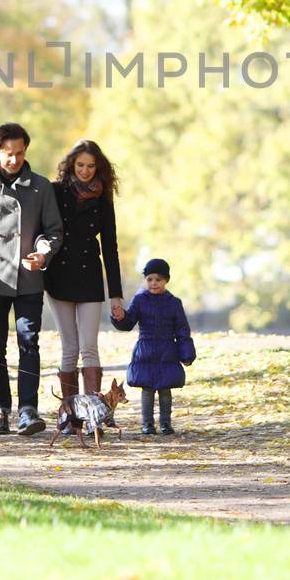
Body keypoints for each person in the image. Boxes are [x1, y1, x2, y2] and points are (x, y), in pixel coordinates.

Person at [0, 122, 64, 436]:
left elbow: (53, 231)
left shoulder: (41, 186)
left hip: (29, 280)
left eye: (20, 153)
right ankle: (0, 410)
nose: (14, 160)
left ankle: (27, 410)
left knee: (29, 343)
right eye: (8, 154)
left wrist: (42, 253)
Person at [44, 139, 124, 428]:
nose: (86, 171)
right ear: (71, 165)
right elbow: (42, 231)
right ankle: (69, 416)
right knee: (69, 347)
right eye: (80, 165)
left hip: (90, 276)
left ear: (98, 167)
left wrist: (115, 294)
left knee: (90, 346)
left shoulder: (103, 199)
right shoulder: (54, 192)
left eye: (91, 166)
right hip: (58, 276)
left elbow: (111, 247)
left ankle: (94, 415)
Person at [110, 257, 195, 436]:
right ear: (145, 280)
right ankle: (147, 424)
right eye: (150, 279)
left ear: (166, 280)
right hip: (145, 351)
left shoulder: (174, 303)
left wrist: (186, 354)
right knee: (147, 389)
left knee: (165, 389)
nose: (154, 283)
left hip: (167, 351)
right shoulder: (140, 300)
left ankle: (165, 423)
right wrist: (120, 317)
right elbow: (129, 321)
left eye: (158, 279)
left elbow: (182, 329)